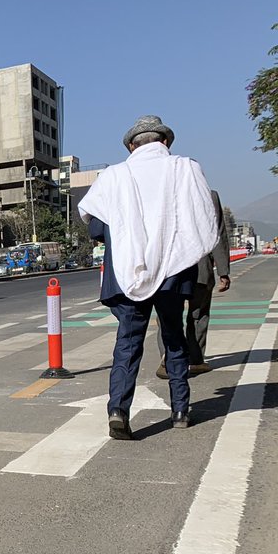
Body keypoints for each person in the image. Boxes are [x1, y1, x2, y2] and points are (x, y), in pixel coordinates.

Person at [78, 115, 219, 440]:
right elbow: (202, 219)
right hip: (172, 271)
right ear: (165, 142)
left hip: (127, 273)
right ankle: (181, 410)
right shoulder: (185, 169)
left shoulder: (114, 177)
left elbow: (96, 227)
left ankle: (118, 410)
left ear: (131, 146)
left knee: (128, 342)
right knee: (173, 337)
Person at [155, 190, 231, 379]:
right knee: (198, 314)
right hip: (199, 266)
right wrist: (223, 271)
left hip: (168, 267)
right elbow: (218, 233)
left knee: (167, 315)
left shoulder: (162, 192)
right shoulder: (208, 195)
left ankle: (168, 358)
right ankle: (195, 360)